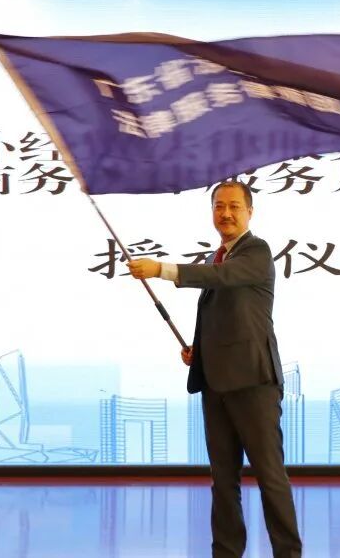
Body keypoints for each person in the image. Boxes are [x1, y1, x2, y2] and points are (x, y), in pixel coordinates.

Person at [129, 180, 302, 558]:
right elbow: (222, 316)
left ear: (250, 212)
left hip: (254, 383)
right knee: (223, 481)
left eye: (234, 207)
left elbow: (221, 278)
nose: (225, 214)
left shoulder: (257, 251)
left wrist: (161, 268)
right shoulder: (215, 257)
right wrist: (200, 351)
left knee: (270, 477)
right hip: (216, 383)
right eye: (219, 206)